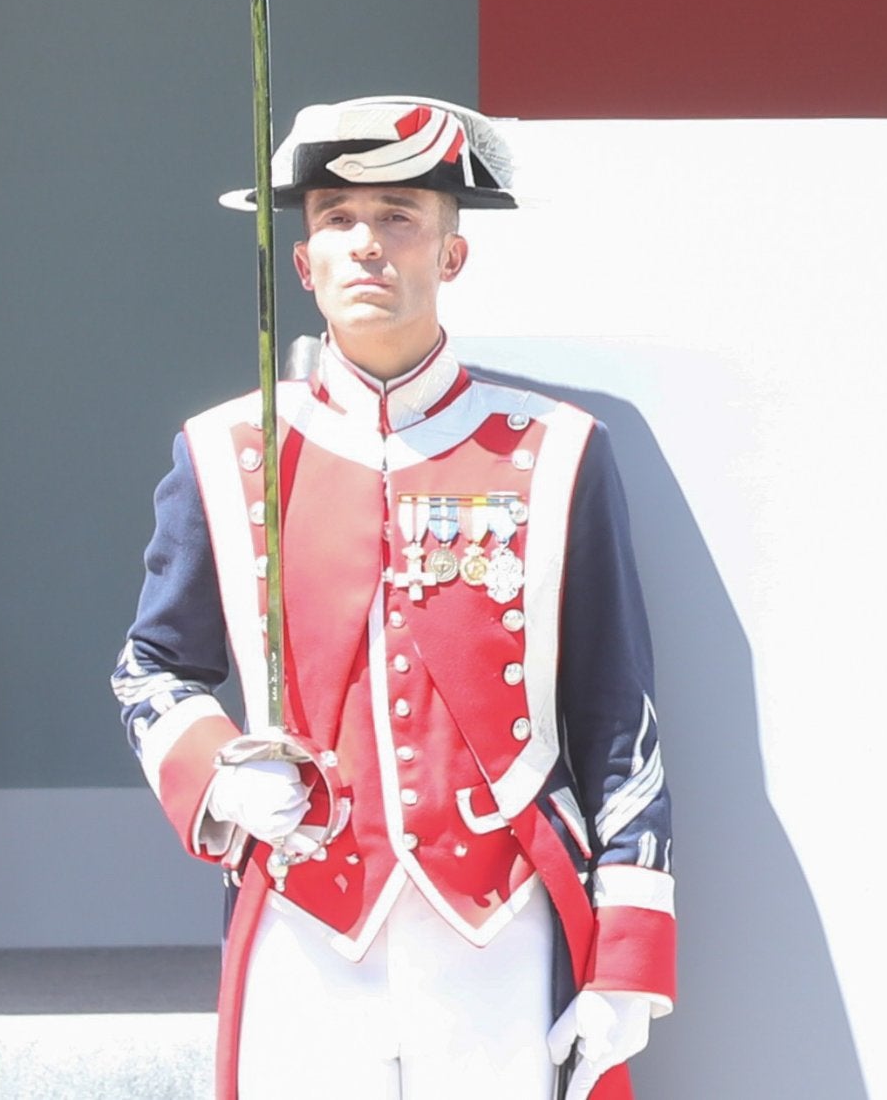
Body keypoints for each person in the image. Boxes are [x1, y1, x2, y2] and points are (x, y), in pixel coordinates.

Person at [115, 99, 677, 1100]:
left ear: (451, 254)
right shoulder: (227, 450)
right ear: (302, 263)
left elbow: (614, 719)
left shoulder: (554, 450)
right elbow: (152, 668)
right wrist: (221, 775)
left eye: (399, 214)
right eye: (334, 217)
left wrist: (626, 963)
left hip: (498, 935)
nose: (365, 243)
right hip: (306, 919)